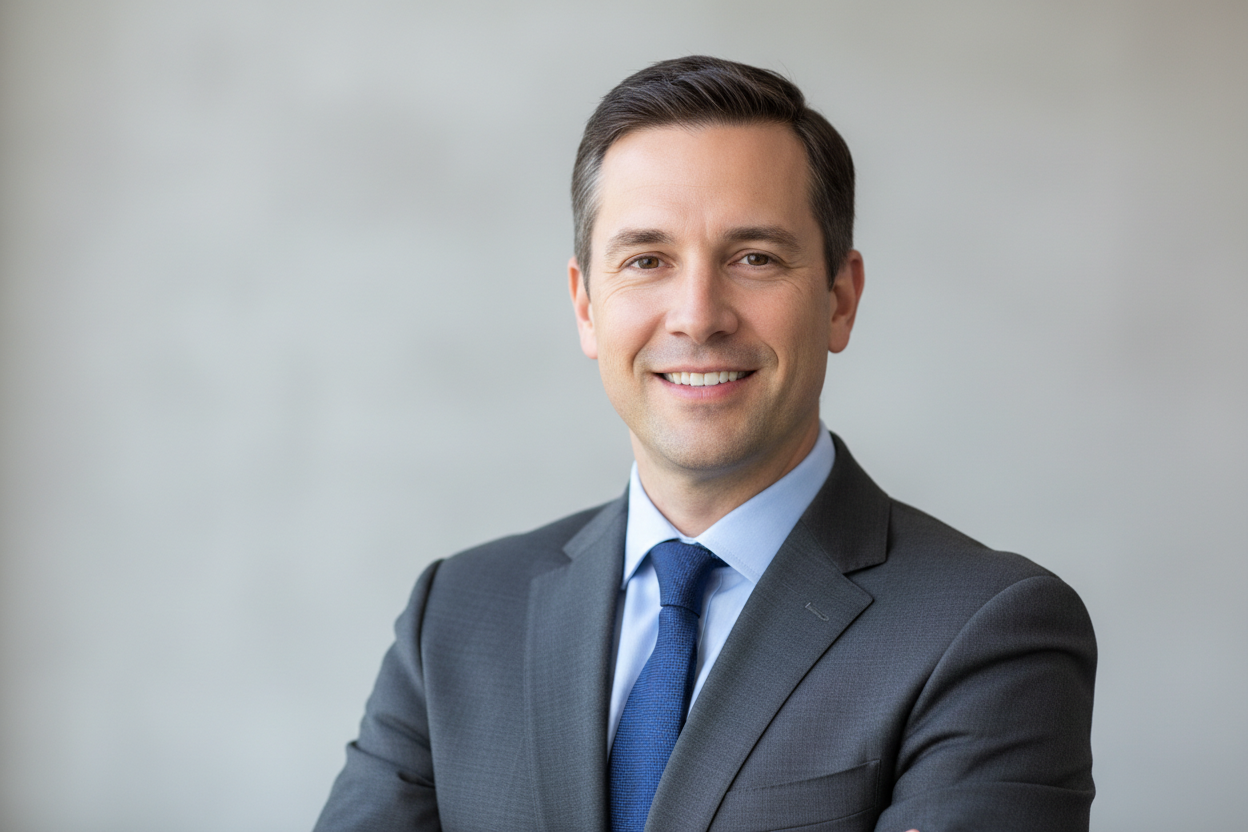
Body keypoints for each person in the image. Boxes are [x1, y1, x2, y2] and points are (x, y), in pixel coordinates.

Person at [313, 56, 1096, 832]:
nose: (697, 315)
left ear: (839, 299)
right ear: (586, 305)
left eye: (754, 258)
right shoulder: (456, 616)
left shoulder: (990, 633)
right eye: (646, 260)